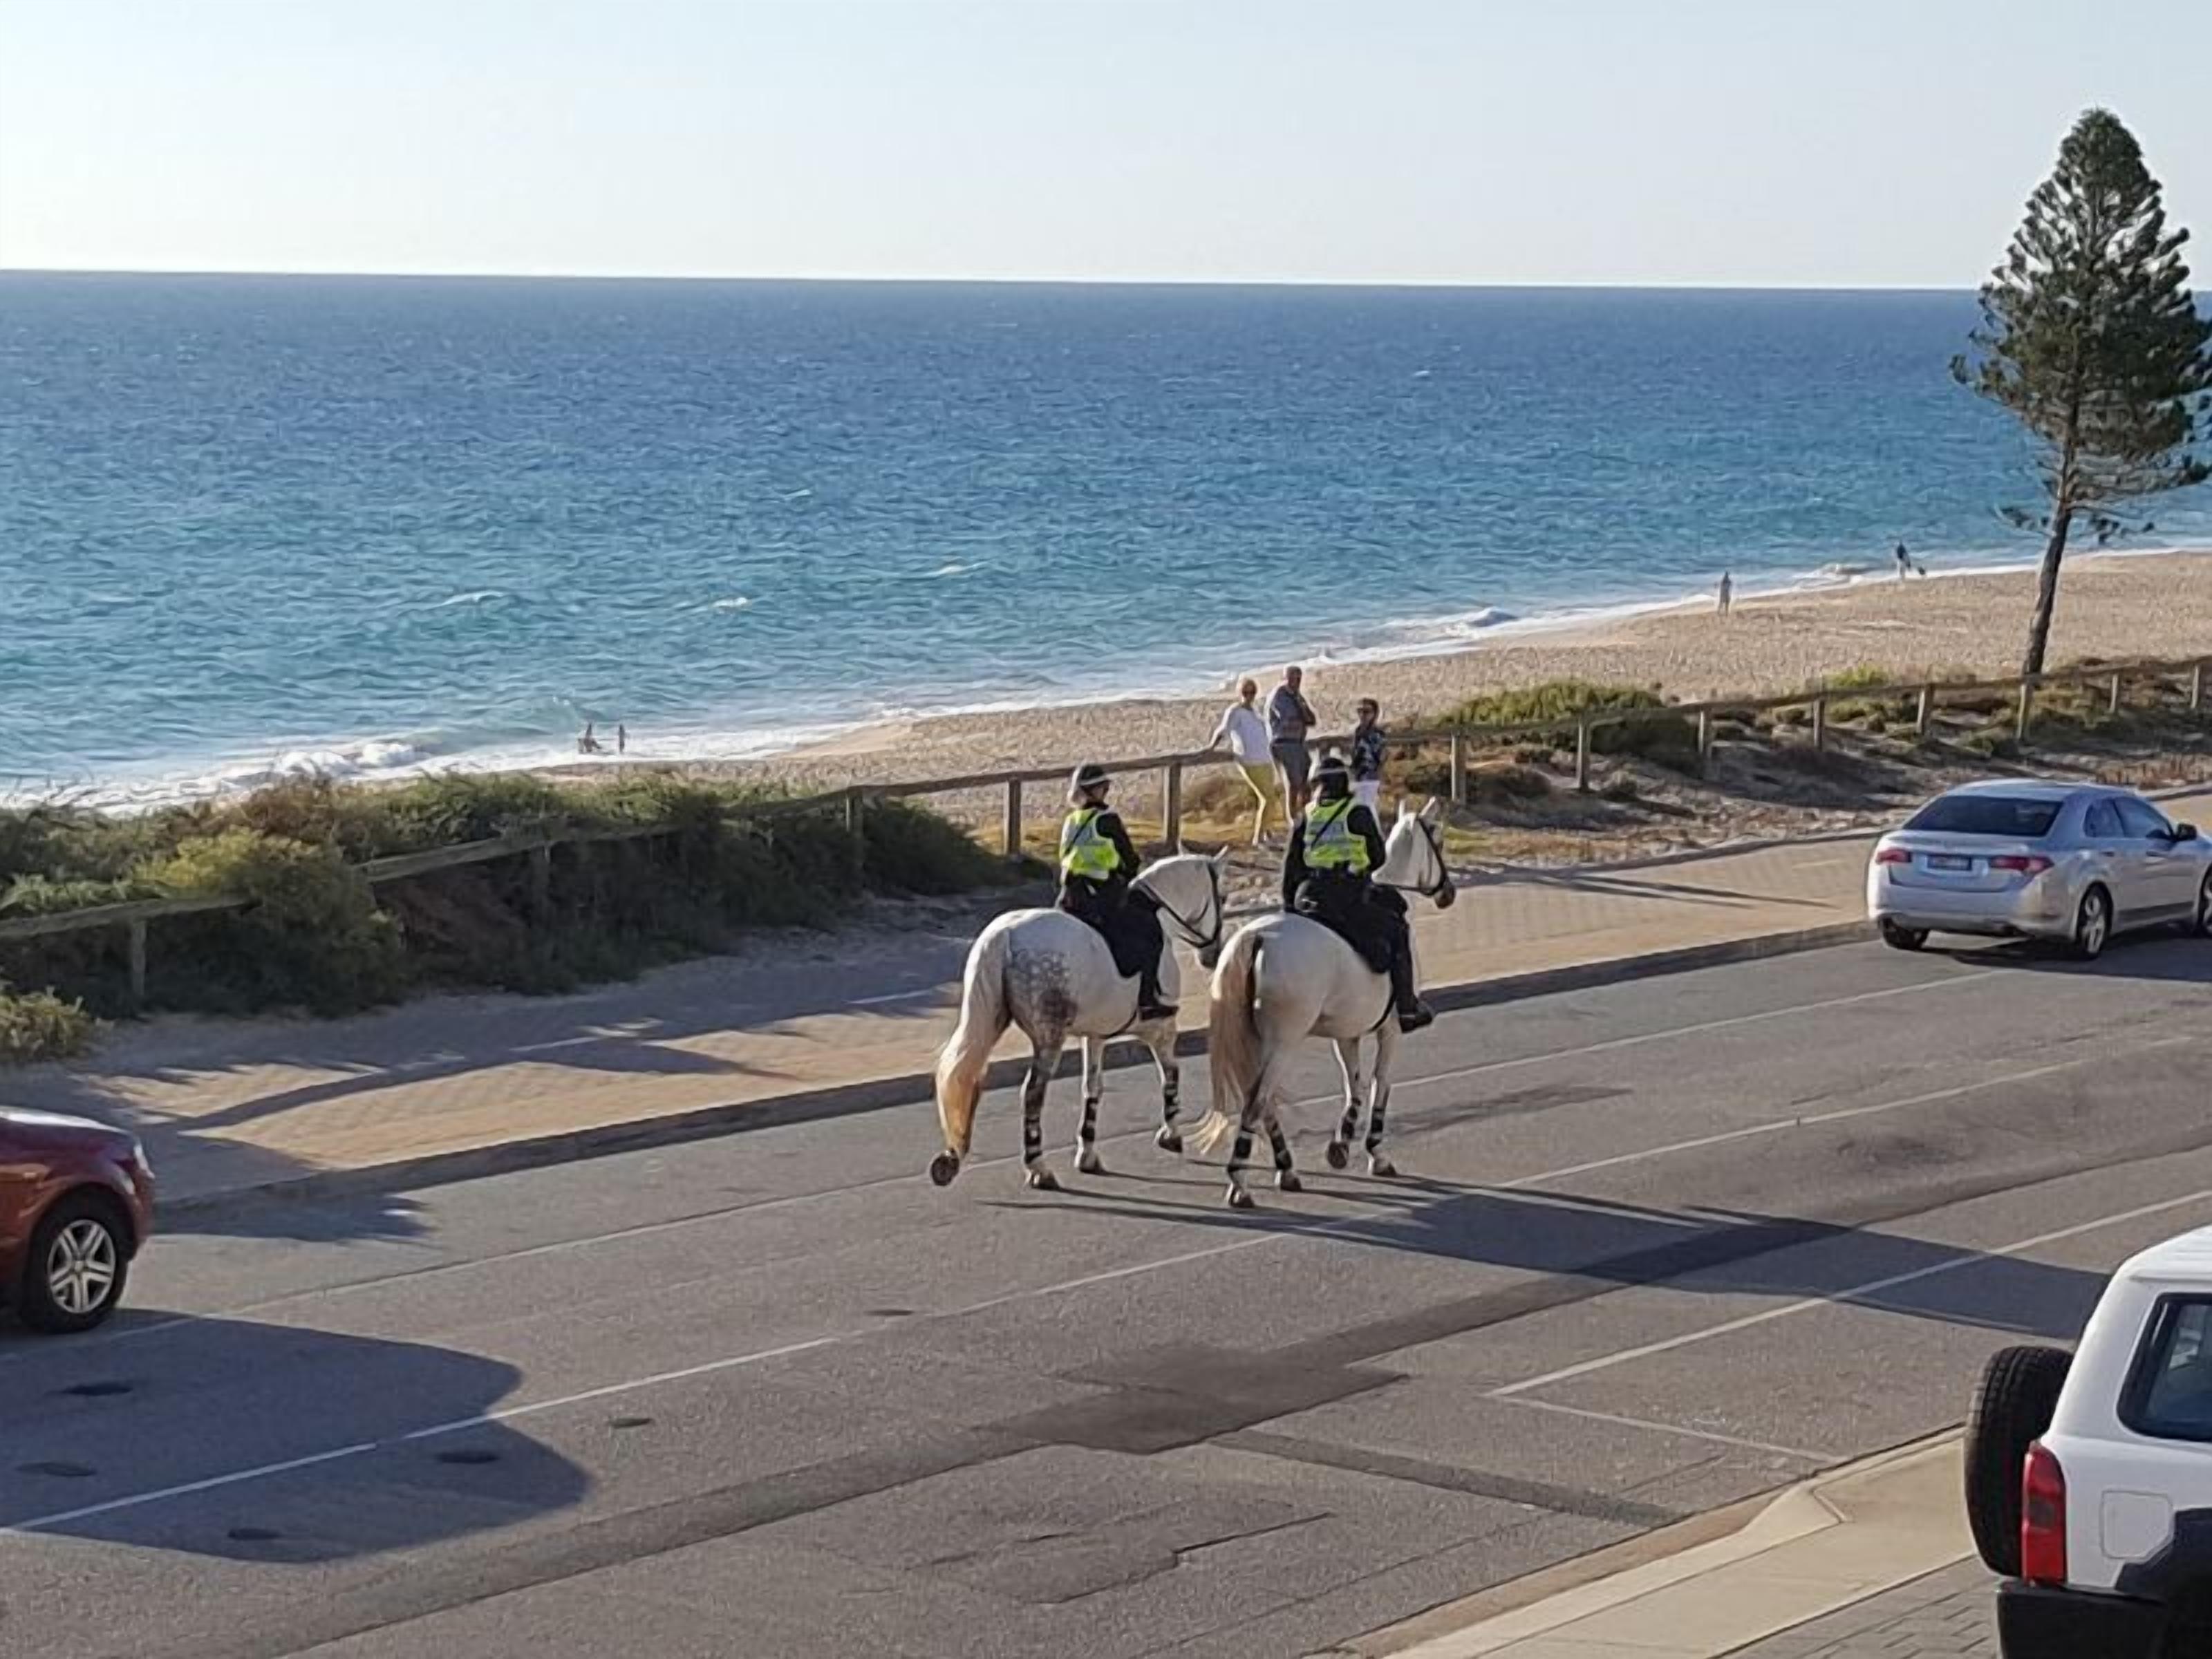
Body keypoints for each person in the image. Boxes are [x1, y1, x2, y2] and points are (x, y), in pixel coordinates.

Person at [1282, 751, 1433, 1032]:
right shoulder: (1358, 812)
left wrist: (1288, 907)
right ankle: (1408, 1008)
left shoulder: (1306, 816)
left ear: (1316, 785)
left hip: (1308, 895)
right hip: (1346, 893)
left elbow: (1291, 866)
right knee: (1397, 930)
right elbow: (1378, 859)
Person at [1058, 763, 1174, 1021]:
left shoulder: (1070, 821)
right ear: (1098, 791)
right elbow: (1130, 860)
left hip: (1069, 897)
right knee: (1151, 934)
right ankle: (1147, 1001)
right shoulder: (1107, 819)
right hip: (1101, 895)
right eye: (1105, 787)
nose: (1107, 791)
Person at [1208, 678, 1277, 845]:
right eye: (1245, 692)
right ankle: (1258, 838)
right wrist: (1211, 746)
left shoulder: (1255, 711)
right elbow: (1224, 730)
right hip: (1250, 760)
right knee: (1267, 798)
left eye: (1252, 692)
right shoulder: (1235, 711)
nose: (1249, 696)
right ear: (1240, 693)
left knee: (1272, 797)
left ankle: (1267, 831)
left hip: (1265, 758)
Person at [1268, 664, 1318, 821]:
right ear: (1284, 678)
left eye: (1298, 678)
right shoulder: (1280, 696)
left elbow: (1311, 720)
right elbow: (1291, 719)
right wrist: (1302, 714)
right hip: (1284, 743)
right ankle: (1293, 820)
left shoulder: (1297, 696)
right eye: (1292, 678)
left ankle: (1305, 815)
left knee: (1307, 781)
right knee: (1293, 783)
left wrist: (1303, 711)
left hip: (1299, 742)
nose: (1296, 681)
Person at [1349, 697, 1386, 815]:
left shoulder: (1378, 734)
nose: (1362, 715)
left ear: (1374, 714)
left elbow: (1380, 756)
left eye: (1366, 712)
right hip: (1357, 776)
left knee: (1368, 808)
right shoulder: (1357, 732)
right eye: (1359, 711)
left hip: (1371, 777)